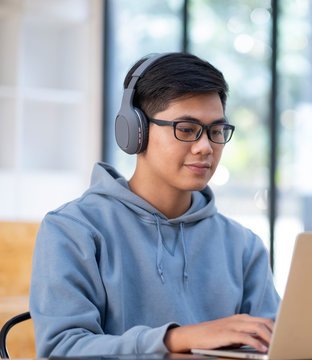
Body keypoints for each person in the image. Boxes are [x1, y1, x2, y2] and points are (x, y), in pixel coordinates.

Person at [29, 52, 280, 357]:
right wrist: (176, 339)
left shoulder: (243, 246)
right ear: (135, 131)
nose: (205, 147)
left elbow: (276, 345)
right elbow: (60, 349)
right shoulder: (73, 230)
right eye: (186, 129)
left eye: (216, 131)